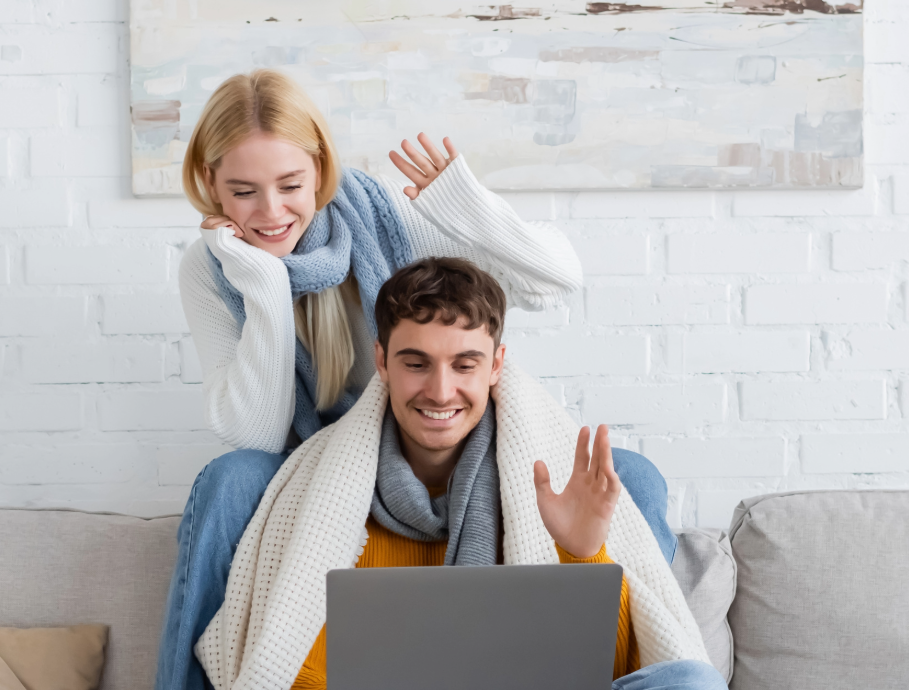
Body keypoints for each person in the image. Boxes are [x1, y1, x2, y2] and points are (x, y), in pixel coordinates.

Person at [162, 69, 683, 690]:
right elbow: (258, 432)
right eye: (243, 191)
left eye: (291, 184)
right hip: (323, 462)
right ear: (210, 184)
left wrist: (468, 208)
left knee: (635, 478)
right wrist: (266, 286)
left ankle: (662, 663)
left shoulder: (383, 217)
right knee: (229, 480)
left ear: (321, 169)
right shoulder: (214, 267)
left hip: (437, 437)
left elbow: (556, 281)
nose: (271, 213)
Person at [194, 258, 728, 690]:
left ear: (497, 366)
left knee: (691, 682)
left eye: (465, 364)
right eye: (416, 362)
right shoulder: (329, 495)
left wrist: (581, 551)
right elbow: (293, 669)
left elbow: (600, 674)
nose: (441, 391)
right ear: (381, 361)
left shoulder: (545, 490)